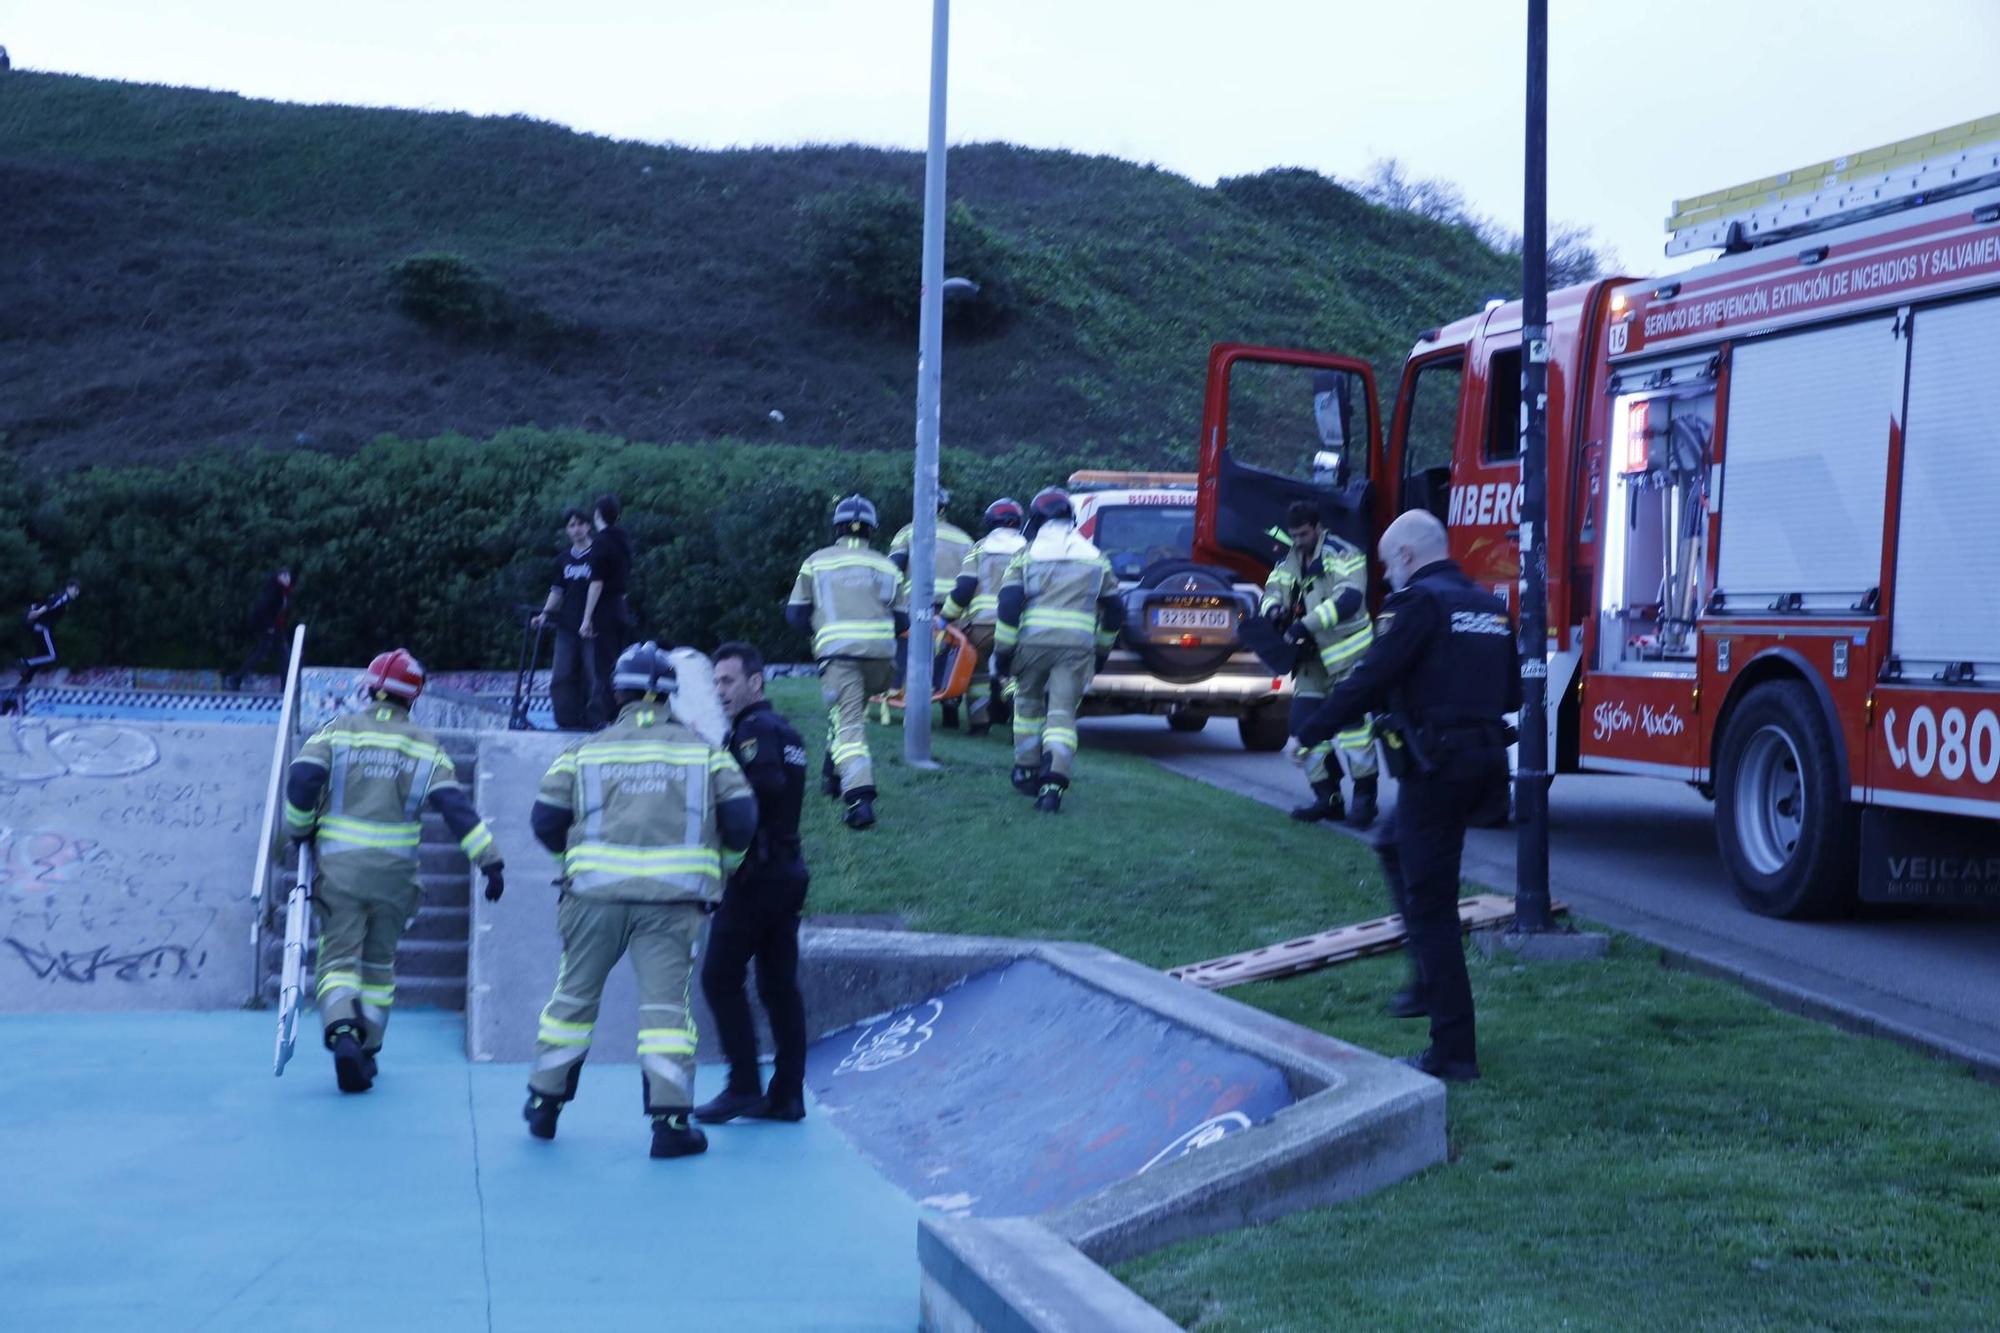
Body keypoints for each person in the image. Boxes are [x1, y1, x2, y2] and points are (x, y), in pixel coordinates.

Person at [1297, 510, 1518, 1081]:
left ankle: (1453, 1052)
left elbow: (1369, 676)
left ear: (1409, 557)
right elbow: (1513, 689)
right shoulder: (1489, 607)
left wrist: (1310, 732)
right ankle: (1423, 979)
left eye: (1388, 564)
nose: (1386, 576)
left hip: (1436, 770)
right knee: (1393, 842)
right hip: (1486, 765)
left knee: (1434, 908)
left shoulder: (1417, 603)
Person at [520, 642, 757, 1158]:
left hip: (592, 900)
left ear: (619, 693)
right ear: (669, 695)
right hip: (673, 906)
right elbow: (742, 824)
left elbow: (545, 821)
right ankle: (670, 1123)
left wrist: (581, 857)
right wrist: (719, 862)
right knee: (666, 1012)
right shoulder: (705, 755)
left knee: (572, 1001)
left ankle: (545, 1103)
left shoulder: (586, 751)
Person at [284, 649, 505, 1093]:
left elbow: (304, 776)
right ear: (413, 697)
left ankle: (342, 1030)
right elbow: (455, 808)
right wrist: (490, 860)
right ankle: (368, 1049)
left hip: (341, 871)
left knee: (339, 959)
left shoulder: (338, 730)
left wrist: (299, 827)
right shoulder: (425, 745)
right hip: (395, 877)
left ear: (369, 688)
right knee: (379, 965)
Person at [694, 641, 810, 1125]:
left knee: (719, 977)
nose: (719, 690)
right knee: (778, 985)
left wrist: (718, 771)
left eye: (728, 681)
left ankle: (743, 1085)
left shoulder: (753, 730)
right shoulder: (789, 733)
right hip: (787, 871)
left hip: (756, 874)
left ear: (755, 683)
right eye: (716, 681)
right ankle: (786, 1096)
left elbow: (761, 785)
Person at [994, 487, 1123, 815]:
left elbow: (1009, 605)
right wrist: (1103, 650)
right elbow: (1115, 609)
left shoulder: (1026, 555)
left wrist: (1004, 652)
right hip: (1077, 648)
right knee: (1062, 715)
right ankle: (1053, 783)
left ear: (1036, 520)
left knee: (1026, 706)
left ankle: (1025, 769)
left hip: (1033, 645)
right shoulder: (1095, 557)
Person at [786, 494, 907, 830]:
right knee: (844, 714)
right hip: (881, 660)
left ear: (836, 526)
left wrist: (820, 630)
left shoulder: (816, 561)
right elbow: (902, 621)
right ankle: (832, 774)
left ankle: (859, 799)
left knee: (850, 725)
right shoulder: (887, 565)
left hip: (840, 656)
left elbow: (795, 615)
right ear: (872, 530)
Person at [1262, 501, 1379, 828]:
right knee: (1302, 728)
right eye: (1294, 535)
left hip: (1348, 657)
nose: (1298, 541)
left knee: (1354, 730)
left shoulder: (1342, 553)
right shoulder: (1291, 556)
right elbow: (1272, 589)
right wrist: (1274, 612)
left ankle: (1365, 800)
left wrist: (1303, 625)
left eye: (1303, 534)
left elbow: (1348, 600)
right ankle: (1327, 798)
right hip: (1310, 662)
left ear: (1317, 527)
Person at [889, 488, 975, 729]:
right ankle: (950, 712)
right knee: (950, 660)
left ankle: (904, 703)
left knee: (912, 657)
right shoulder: (965, 539)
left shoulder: (908, 532)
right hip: (952, 610)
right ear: (944, 509)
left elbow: (894, 568)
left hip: (916, 606)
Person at [942, 497, 1026, 737]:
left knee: (977, 675)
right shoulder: (1029, 550)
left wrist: (947, 616)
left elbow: (965, 586)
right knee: (1013, 674)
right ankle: (1017, 715)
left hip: (981, 626)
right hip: (1018, 625)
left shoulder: (979, 548)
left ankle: (980, 724)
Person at [528, 509, 603, 730]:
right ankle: (566, 722)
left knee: (595, 675)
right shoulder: (563, 558)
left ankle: (595, 722)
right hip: (567, 625)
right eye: (571, 525)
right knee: (561, 675)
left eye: (580, 524)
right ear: (566, 530)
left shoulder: (599, 553)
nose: (576, 529)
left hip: (594, 626)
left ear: (588, 526)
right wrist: (545, 614)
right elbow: (557, 590)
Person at [585, 494, 635, 724]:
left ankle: (608, 719)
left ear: (596, 515)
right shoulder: (624, 540)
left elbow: (597, 583)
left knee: (604, 667)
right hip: (621, 607)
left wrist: (587, 618)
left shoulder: (601, 542)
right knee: (620, 663)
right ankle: (624, 712)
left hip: (605, 609)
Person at [224, 567, 294, 691]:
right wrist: (269, 627)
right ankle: (235, 678)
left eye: (288, 576)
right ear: (278, 577)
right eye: (284, 576)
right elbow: (261, 610)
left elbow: (282, 612)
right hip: (268, 628)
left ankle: (285, 687)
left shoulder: (285, 592)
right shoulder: (273, 590)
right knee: (261, 654)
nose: (287, 579)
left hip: (278, 629)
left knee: (284, 656)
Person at [16, 581, 80, 688]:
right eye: (76, 590)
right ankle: (24, 663)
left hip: (35, 620)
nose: (77, 593)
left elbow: (49, 602)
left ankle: (25, 680)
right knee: (51, 655)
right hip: (35, 620)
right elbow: (50, 605)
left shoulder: (62, 597)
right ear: (69, 588)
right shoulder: (63, 597)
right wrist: (37, 613)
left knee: (41, 654)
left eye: (78, 591)